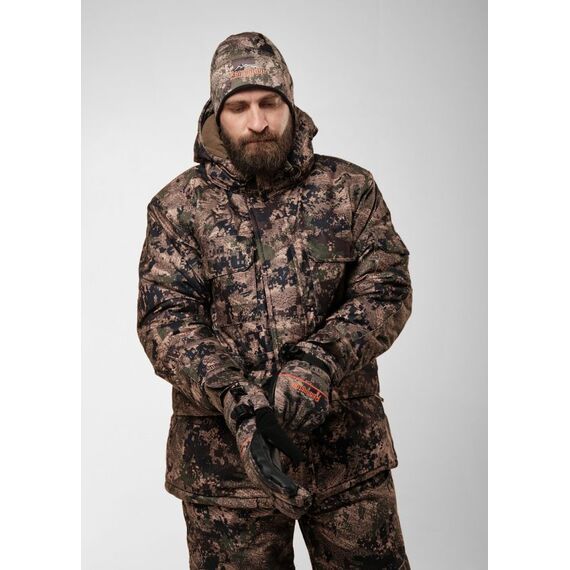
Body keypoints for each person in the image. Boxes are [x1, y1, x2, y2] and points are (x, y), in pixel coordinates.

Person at [137, 31, 413, 569]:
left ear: (290, 103)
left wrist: (318, 363)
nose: (257, 121)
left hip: (346, 460)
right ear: (216, 115)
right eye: (239, 107)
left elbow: (386, 286)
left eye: (269, 103)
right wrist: (237, 398)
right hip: (226, 474)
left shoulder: (349, 189)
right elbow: (166, 321)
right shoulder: (177, 208)